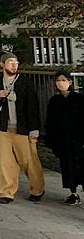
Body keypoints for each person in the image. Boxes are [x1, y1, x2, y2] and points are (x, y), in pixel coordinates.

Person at [0, 52, 45, 204]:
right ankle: (6, 192)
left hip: (23, 129)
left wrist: (34, 129)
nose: (14, 65)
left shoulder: (25, 82)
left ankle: (37, 189)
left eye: (16, 63)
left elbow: (33, 105)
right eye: (10, 62)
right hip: (4, 129)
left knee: (29, 162)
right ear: (2, 65)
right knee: (5, 162)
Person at [45, 70, 84, 205]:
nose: (60, 83)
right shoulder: (54, 101)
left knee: (81, 166)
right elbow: (50, 121)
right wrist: (50, 140)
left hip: (78, 139)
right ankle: (73, 193)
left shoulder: (79, 99)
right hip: (62, 140)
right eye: (58, 80)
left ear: (70, 82)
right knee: (67, 168)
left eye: (63, 80)